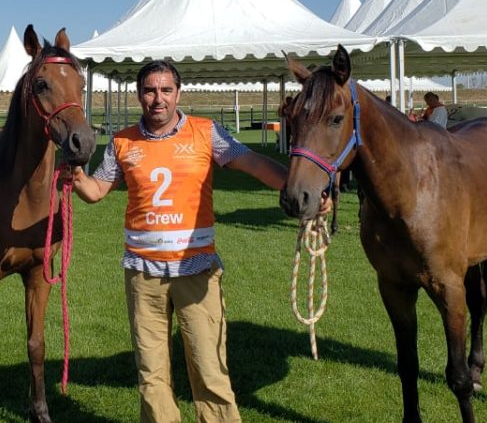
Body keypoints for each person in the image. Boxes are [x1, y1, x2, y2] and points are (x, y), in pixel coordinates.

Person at [71, 60, 323, 423]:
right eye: (150, 91)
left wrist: (306, 191)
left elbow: (252, 162)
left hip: (198, 271)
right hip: (143, 276)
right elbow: (96, 191)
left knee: (209, 371)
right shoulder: (123, 141)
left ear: (178, 93)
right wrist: (76, 176)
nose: (158, 99)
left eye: (166, 90)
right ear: (139, 95)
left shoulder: (207, 132)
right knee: (151, 375)